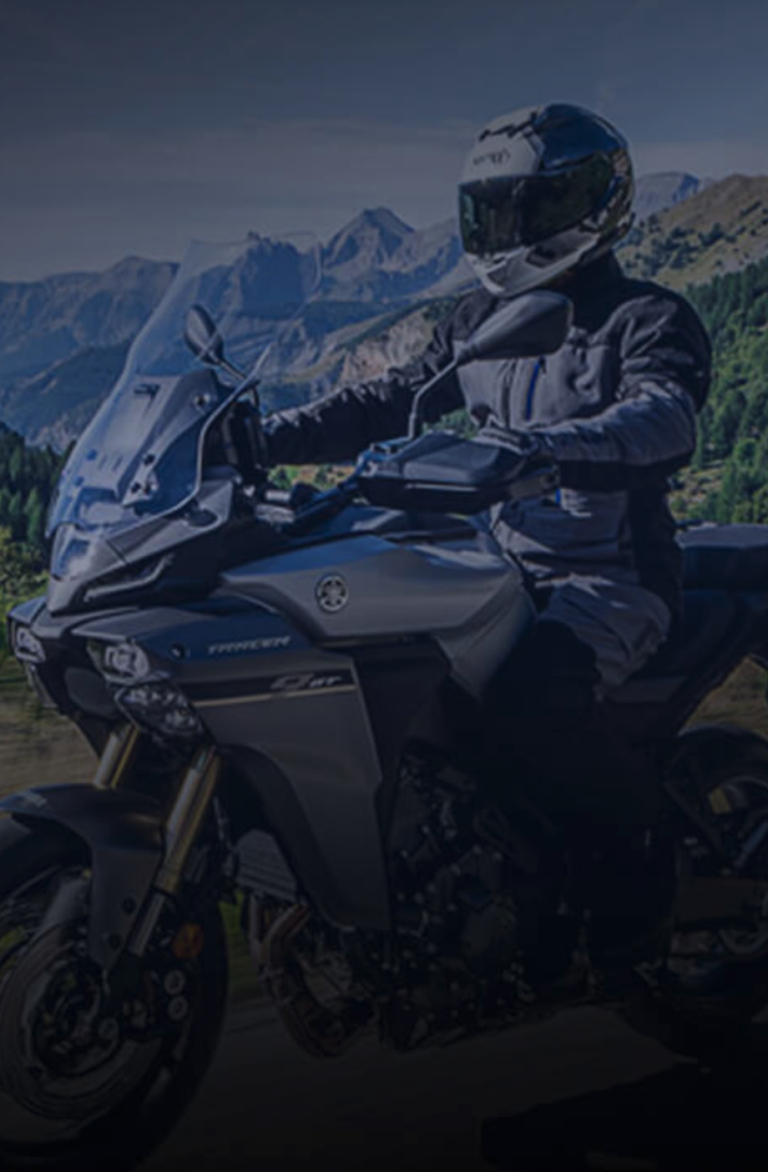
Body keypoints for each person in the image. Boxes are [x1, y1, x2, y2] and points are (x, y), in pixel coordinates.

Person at [263, 104, 712, 980]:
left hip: (609, 576)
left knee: (531, 700)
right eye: (493, 210)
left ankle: (640, 867)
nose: (508, 229)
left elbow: (663, 418)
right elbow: (388, 399)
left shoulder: (646, 317)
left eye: (529, 207)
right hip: (489, 565)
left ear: (590, 204)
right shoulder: (478, 317)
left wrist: (543, 449)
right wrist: (261, 436)